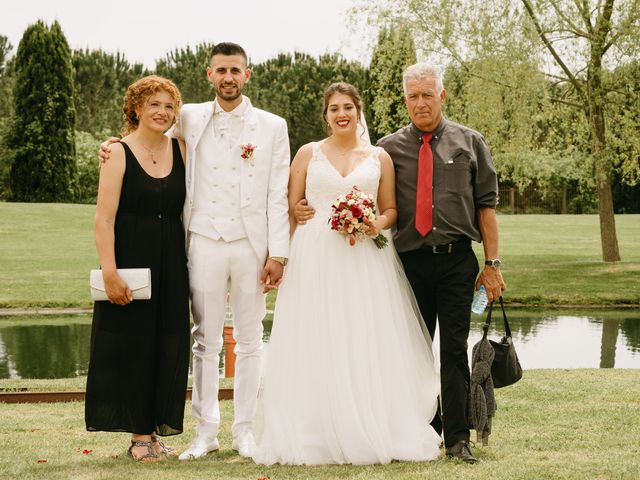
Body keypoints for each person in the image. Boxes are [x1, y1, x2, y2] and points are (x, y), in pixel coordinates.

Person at [295, 64, 506, 464]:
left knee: (454, 350)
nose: (420, 103)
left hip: (457, 260)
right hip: (408, 263)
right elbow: (360, 187)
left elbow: (486, 208)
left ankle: (457, 438)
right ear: (405, 99)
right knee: (407, 349)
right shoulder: (388, 148)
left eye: (428, 94)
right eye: (413, 96)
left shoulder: (470, 142)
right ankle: (418, 430)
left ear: (442, 96)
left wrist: (492, 263)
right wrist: (307, 205)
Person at [100, 42, 290, 460]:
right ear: (209, 75)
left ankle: (245, 431)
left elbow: (278, 193)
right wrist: (112, 143)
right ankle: (206, 431)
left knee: (251, 340)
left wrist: (279, 253)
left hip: (250, 245)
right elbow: (145, 134)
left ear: (247, 74)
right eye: (220, 70)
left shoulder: (273, 127)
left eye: (235, 70)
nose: (228, 77)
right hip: (202, 240)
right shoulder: (189, 117)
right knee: (204, 340)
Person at [251, 82, 441, 465]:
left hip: (364, 259)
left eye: (348, 107)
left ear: (359, 112)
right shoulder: (308, 153)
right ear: (326, 114)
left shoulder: (379, 157)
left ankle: (369, 423)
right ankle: (314, 429)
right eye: (334, 108)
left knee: (362, 333)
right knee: (317, 335)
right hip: (314, 255)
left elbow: (391, 211)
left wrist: (374, 223)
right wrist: (286, 245)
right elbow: (290, 207)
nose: (341, 114)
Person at [85, 75, 190, 462]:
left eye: (168, 105)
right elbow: (103, 219)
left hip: (172, 264)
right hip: (130, 260)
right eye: (154, 104)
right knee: (135, 346)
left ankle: (156, 430)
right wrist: (110, 272)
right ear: (136, 109)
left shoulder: (181, 148)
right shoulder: (117, 153)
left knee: (168, 343)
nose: (162, 112)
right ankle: (139, 436)